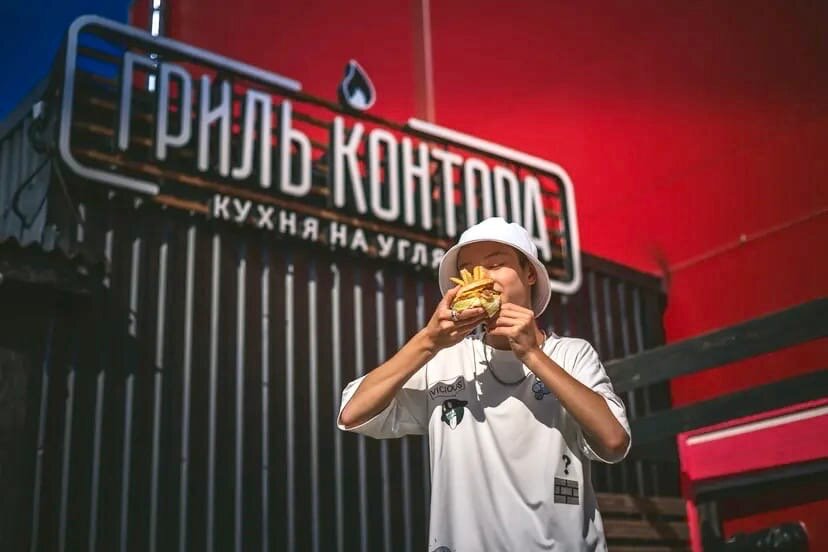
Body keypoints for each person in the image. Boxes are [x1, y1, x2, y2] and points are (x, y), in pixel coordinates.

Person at [337, 217, 631, 551]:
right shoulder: (443, 359)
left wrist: (532, 355)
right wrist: (428, 341)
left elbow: (614, 441)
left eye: (494, 265)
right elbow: (352, 413)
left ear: (530, 274)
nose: (481, 278)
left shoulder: (571, 354)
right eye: (467, 271)